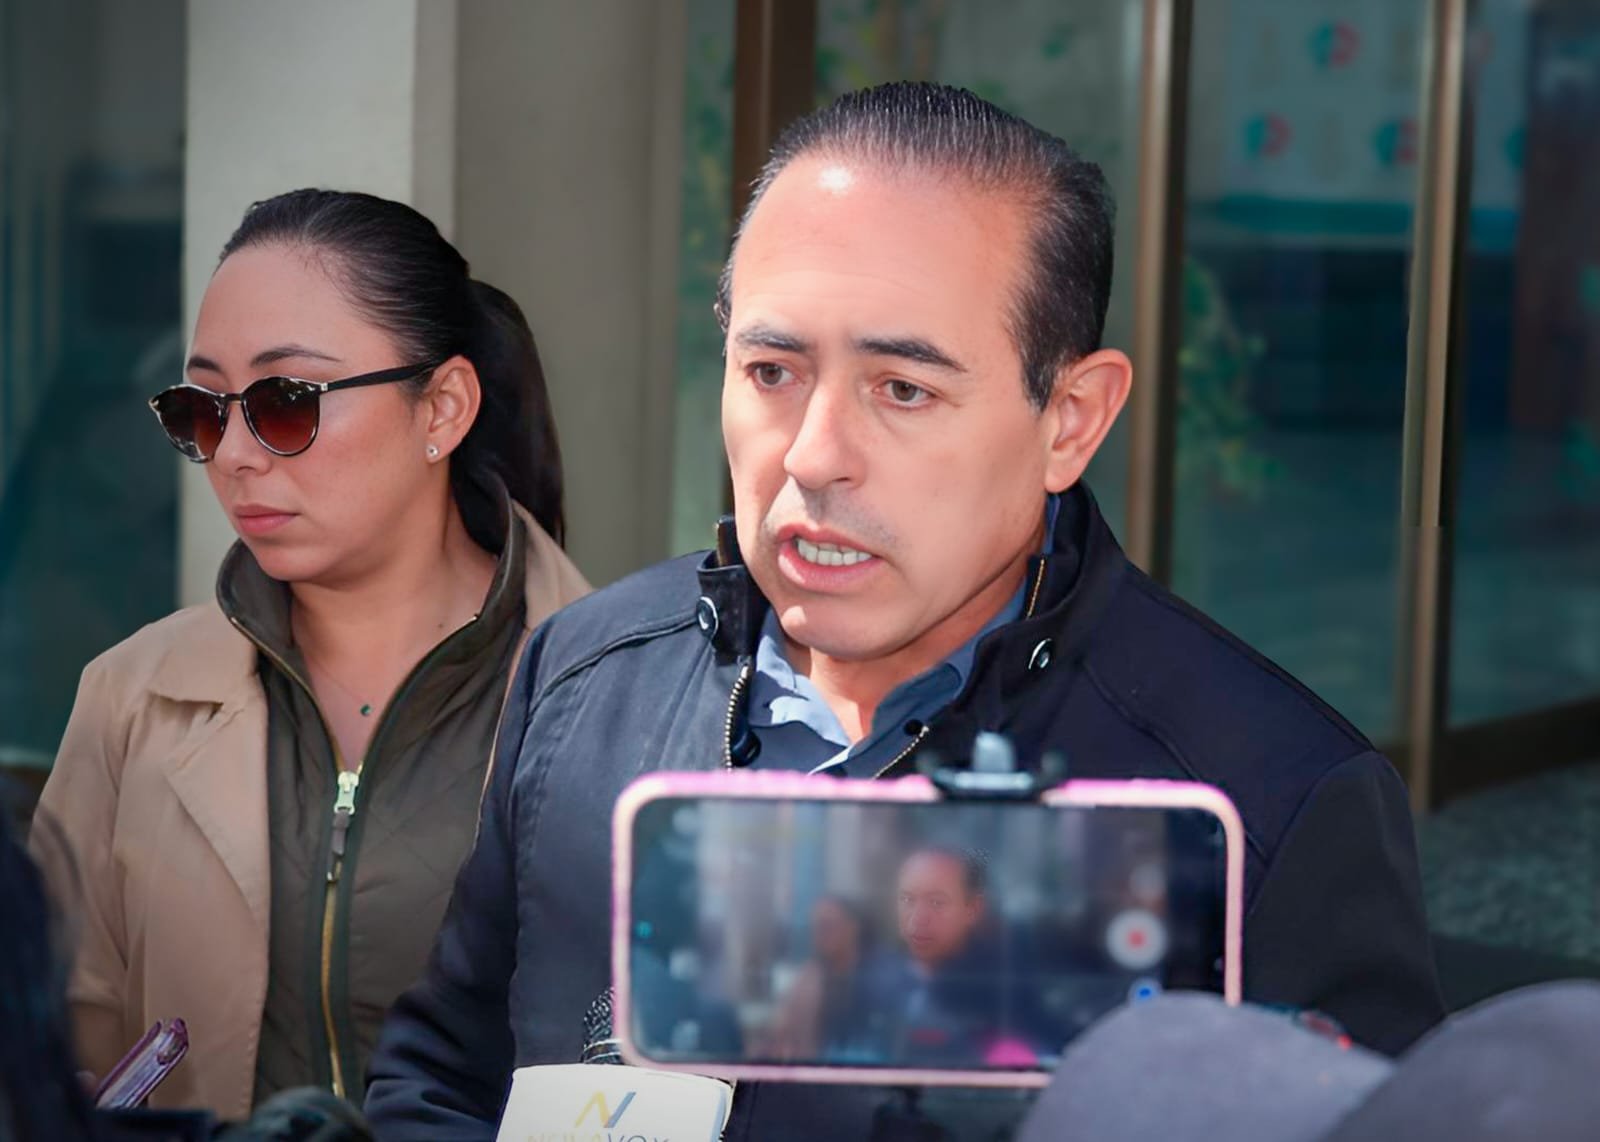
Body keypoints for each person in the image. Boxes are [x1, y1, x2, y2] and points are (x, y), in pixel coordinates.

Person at [366, 83, 1443, 1140]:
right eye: (772, 370)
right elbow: (443, 1076)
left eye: (903, 389)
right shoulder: (588, 672)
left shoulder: (1264, 799)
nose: (813, 455)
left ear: (1071, 418)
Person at [28, 189, 590, 1121]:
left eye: (284, 403)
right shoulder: (133, 697)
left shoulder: (614, 696)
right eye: (204, 409)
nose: (235, 455)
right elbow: (52, 1029)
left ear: (442, 408)